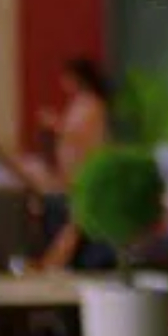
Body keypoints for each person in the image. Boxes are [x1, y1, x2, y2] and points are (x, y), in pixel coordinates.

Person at [32, 58, 118, 272]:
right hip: (74, 176)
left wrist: (55, 123)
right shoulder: (79, 103)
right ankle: (54, 261)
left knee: (76, 221)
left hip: (88, 173)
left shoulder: (92, 104)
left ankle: (53, 262)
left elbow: (80, 135)